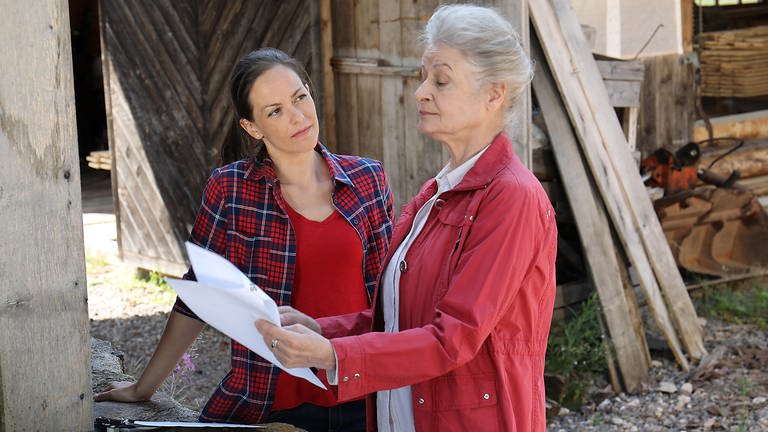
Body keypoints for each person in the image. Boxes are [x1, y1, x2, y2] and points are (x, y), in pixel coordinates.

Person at [257, 4, 558, 431]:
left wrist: (333, 357)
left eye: (441, 80)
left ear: (494, 94)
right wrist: (324, 331)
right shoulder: (439, 192)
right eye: (424, 77)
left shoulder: (512, 198)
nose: (421, 92)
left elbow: (452, 338)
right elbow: (402, 318)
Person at [95, 47, 394, 431]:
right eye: (275, 111)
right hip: (273, 403)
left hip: (364, 395)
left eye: (300, 97)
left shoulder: (368, 179)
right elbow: (198, 293)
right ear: (252, 127)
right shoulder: (231, 189)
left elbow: (389, 297)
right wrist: (143, 388)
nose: (298, 116)